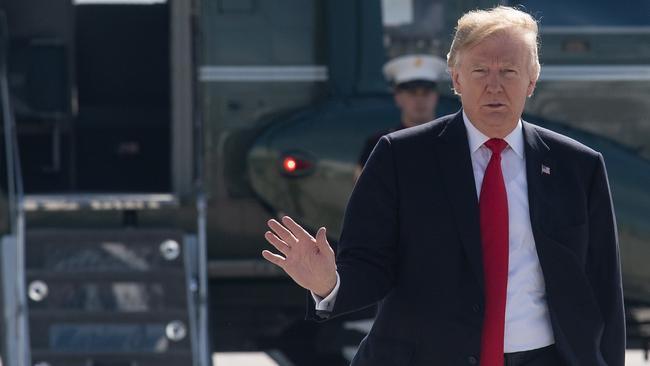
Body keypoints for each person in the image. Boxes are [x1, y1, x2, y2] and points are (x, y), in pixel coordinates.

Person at [262, 6, 624, 366]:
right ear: (456, 79)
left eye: (510, 71)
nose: (494, 85)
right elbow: (370, 262)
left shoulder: (578, 167)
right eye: (480, 70)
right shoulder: (399, 157)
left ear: (532, 80)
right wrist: (329, 284)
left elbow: (604, 289)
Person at [356, 54, 447, 179]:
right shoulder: (379, 145)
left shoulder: (452, 141)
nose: (420, 100)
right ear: (398, 98)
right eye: (412, 93)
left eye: (426, 93)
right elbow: (366, 193)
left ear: (436, 96)